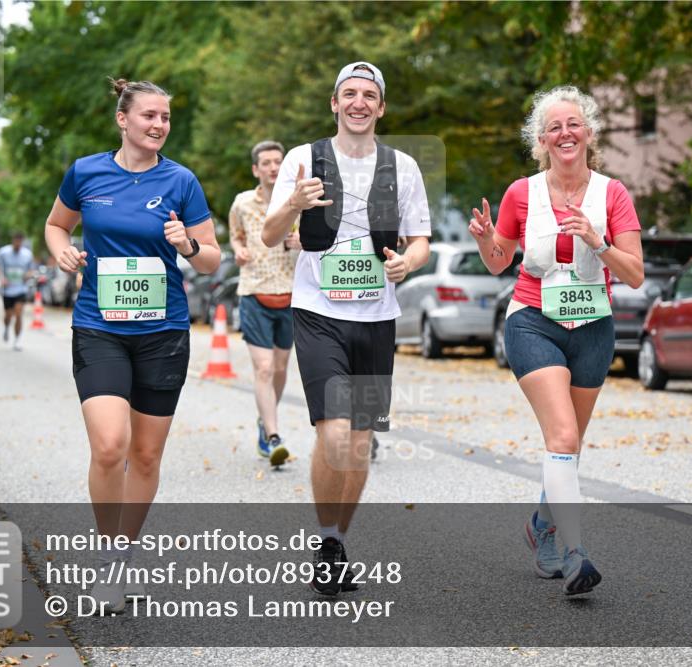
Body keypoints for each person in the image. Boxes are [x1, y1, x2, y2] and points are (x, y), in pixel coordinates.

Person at [44, 77, 220, 614]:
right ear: (124, 119)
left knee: (144, 455)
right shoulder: (86, 172)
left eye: (165, 117)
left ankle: (123, 557)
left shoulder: (181, 181)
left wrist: (187, 244)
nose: (159, 125)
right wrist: (63, 252)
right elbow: (56, 225)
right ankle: (105, 557)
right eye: (149, 116)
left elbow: (212, 258)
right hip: (99, 326)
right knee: (110, 446)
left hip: (162, 333)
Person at [262, 62, 431, 596]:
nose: (358, 103)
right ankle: (324, 535)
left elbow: (420, 238)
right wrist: (293, 202)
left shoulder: (401, 166)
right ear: (334, 103)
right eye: (349, 94)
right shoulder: (302, 158)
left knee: (358, 444)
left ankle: (334, 542)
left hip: (377, 319)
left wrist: (410, 263)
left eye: (369, 96)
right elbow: (269, 236)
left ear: (381, 108)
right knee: (333, 433)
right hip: (318, 313)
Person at [469, 85, 644, 595]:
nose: (565, 134)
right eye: (554, 128)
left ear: (588, 133)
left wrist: (599, 242)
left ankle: (541, 524)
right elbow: (500, 261)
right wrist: (486, 241)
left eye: (574, 125)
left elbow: (633, 274)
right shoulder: (520, 193)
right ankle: (575, 554)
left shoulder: (612, 195)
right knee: (562, 437)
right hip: (533, 321)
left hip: (593, 327)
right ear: (541, 141)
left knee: (568, 444)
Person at [229, 140, 300, 466]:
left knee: (281, 369)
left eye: (277, 162)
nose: (273, 167)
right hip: (254, 292)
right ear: (256, 170)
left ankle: (264, 420)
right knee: (265, 367)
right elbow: (235, 235)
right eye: (266, 163)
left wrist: (301, 241)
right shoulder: (242, 203)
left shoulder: (298, 201)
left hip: (291, 294)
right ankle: (273, 436)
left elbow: (315, 241)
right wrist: (238, 250)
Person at [0, 231, 36, 350]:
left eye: (20, 241)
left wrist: (28, 275)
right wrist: (1, 278)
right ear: (13, 240)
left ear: (22, 242)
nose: (18, 243)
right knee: (8, 315)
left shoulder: (27, 254)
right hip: (7, 290)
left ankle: (17, 340)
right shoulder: (3, 252)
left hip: (21, 289)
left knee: (18, 314)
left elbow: (32, 270)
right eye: (16, 241)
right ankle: (6, 328)